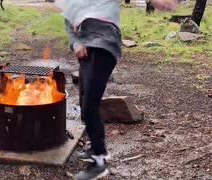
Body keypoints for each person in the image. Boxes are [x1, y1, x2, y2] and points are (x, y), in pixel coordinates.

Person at [56, 0, 178, 179]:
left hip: (103, 43)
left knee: (90, 104)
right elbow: (69, 25)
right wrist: (76, 44)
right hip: (86, 49)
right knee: (84, 101)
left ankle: (99, 162)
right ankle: (95, 149)